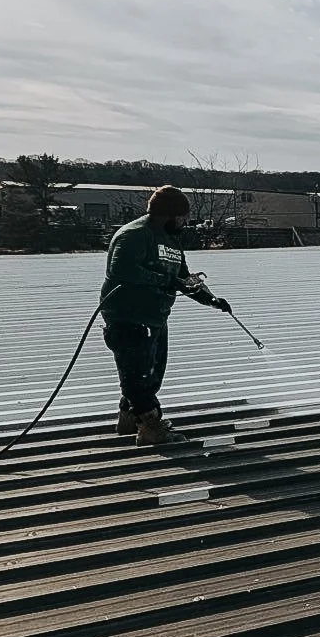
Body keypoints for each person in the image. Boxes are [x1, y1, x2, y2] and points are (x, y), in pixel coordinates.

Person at [99, 185, 231, 445]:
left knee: (151, 372)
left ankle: (129, 418)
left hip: (155, 316)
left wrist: (210, 299)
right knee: (138, 375)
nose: (185, 222)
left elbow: (182, 278)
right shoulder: (135, 235)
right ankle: (150, 427)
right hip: (128, 316)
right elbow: (122, 272)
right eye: (182, 217)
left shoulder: (170, 239)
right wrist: (167, 281)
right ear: (168, 215)